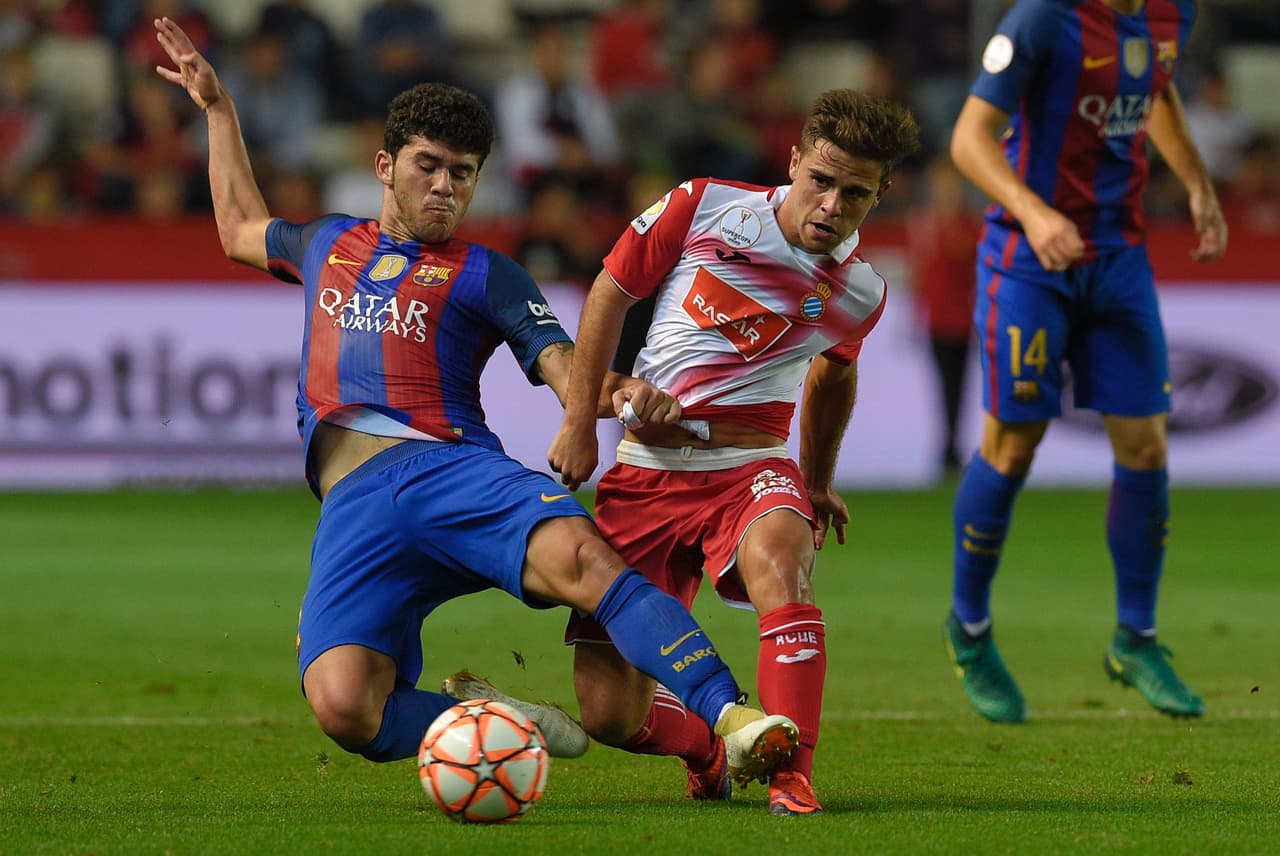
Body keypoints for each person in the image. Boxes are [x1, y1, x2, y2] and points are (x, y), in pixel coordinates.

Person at [151, 16, 800, 781]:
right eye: (428, 166)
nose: (444, 185)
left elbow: (563, 367)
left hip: (452, 473)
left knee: (584, 559)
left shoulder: (488, 274)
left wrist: (621, 394)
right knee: (345, 706)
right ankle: (500, 719)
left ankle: (733, 717)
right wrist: (219, 111)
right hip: (354, 504)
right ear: (385, 165)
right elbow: (236, 228)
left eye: (463, 173)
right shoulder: (326, 241)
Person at [457, 89, 920, 816]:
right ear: (794, 162)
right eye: (821, 181)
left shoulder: (859, 291)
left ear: (880, 195)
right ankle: (710, 746)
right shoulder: (703, 205)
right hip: (647, 473)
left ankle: (793, 779)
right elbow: (610, 292)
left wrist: (818, 480)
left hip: (752, 469)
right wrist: (582, 421)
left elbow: (835, 371)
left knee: (781, 566)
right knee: (610, 711)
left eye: (855, 193)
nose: (831, 205)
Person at [942, 0, 1227, 724]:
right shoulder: (1041, 19)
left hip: (1118, 258)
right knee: (1010, 449)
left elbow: (1152, 89)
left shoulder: (1172, 14)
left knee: (1146, 444)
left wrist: (1195, 181)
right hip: (1028, 261)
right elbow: (970, 139)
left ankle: (1136, 638)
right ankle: (969, 629)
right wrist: (1035, 213)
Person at [906, 154, 980, 475]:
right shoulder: (924, 224)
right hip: (937, 319)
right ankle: (947, 447)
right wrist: (914, 315)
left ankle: (952, 447)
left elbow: (978, 276)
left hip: (962, 320)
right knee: (942, 385)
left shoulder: (969, 227)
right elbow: (918, 273)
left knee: (958, 385)